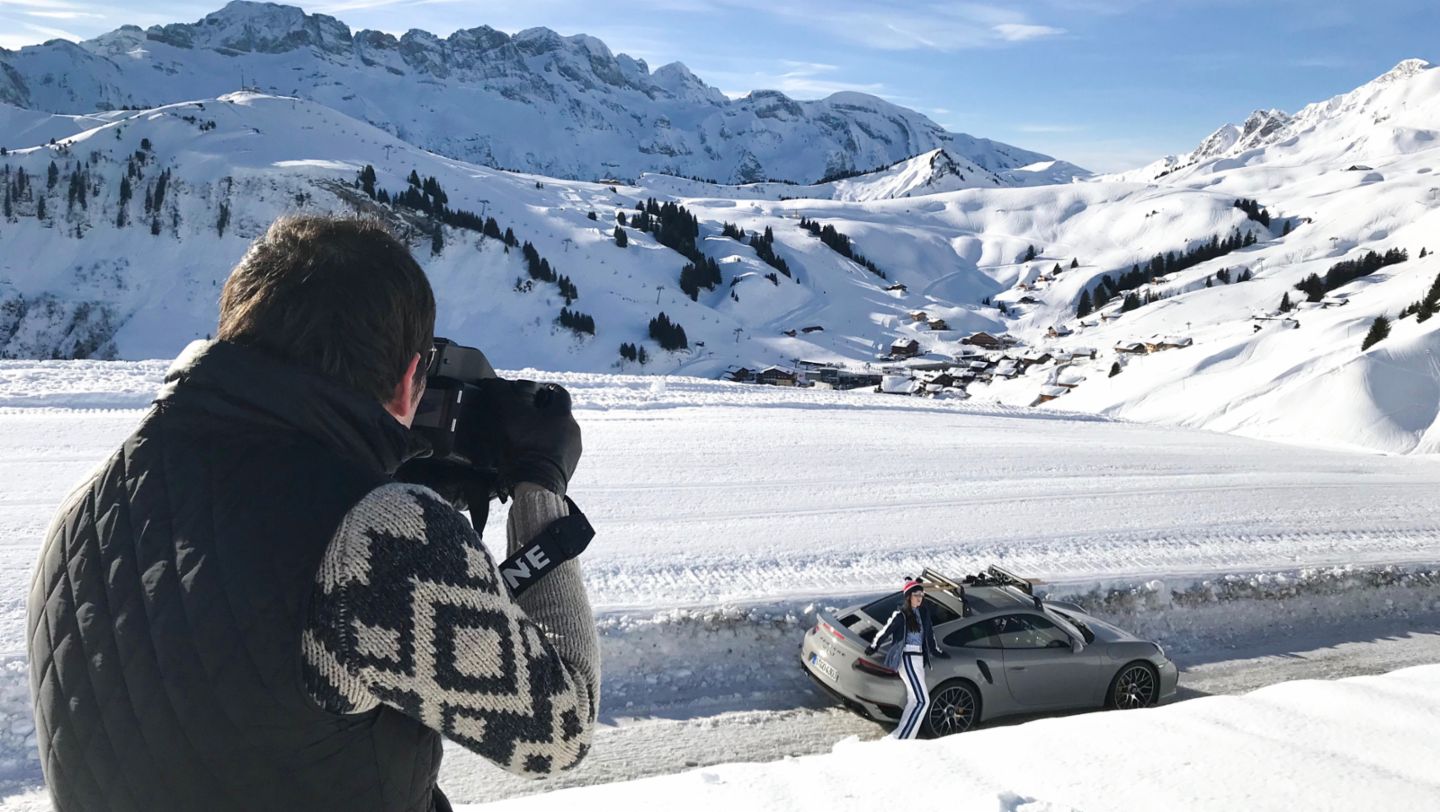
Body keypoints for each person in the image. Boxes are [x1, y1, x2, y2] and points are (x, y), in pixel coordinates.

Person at [27, 215, 598, 812]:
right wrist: (540, 484)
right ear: (410, 380)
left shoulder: (80, 512)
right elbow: (562, 731)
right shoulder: (380, 538)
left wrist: (378, 478)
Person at [865, 577, 948, 739]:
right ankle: (904, 740)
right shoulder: (901, 615)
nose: (920, 598)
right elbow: (885, 631)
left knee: (914, 699)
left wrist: (937, 652)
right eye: (917, 595)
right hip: (907, 658)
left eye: (922, 595)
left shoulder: (923, 614)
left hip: (919, 660)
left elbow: (929, 637)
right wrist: (874, 646)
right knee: (923, 701)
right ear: (909, 596)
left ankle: (901, 735)